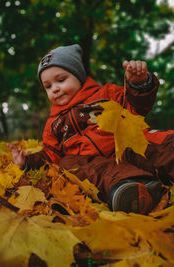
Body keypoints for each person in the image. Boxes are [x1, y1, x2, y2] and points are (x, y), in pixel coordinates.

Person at [9, 44, 174, 214]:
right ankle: (132, 187)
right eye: (48, 86)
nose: (55, 89)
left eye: (61, 80)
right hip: (93, 162)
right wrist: (27, 162)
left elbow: (136, 107)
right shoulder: (54, 123)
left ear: (79, 76)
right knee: (69, 164)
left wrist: (139, 84)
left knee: (153, 144)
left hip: (124, 147)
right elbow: (51, 154)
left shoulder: (106, 94)